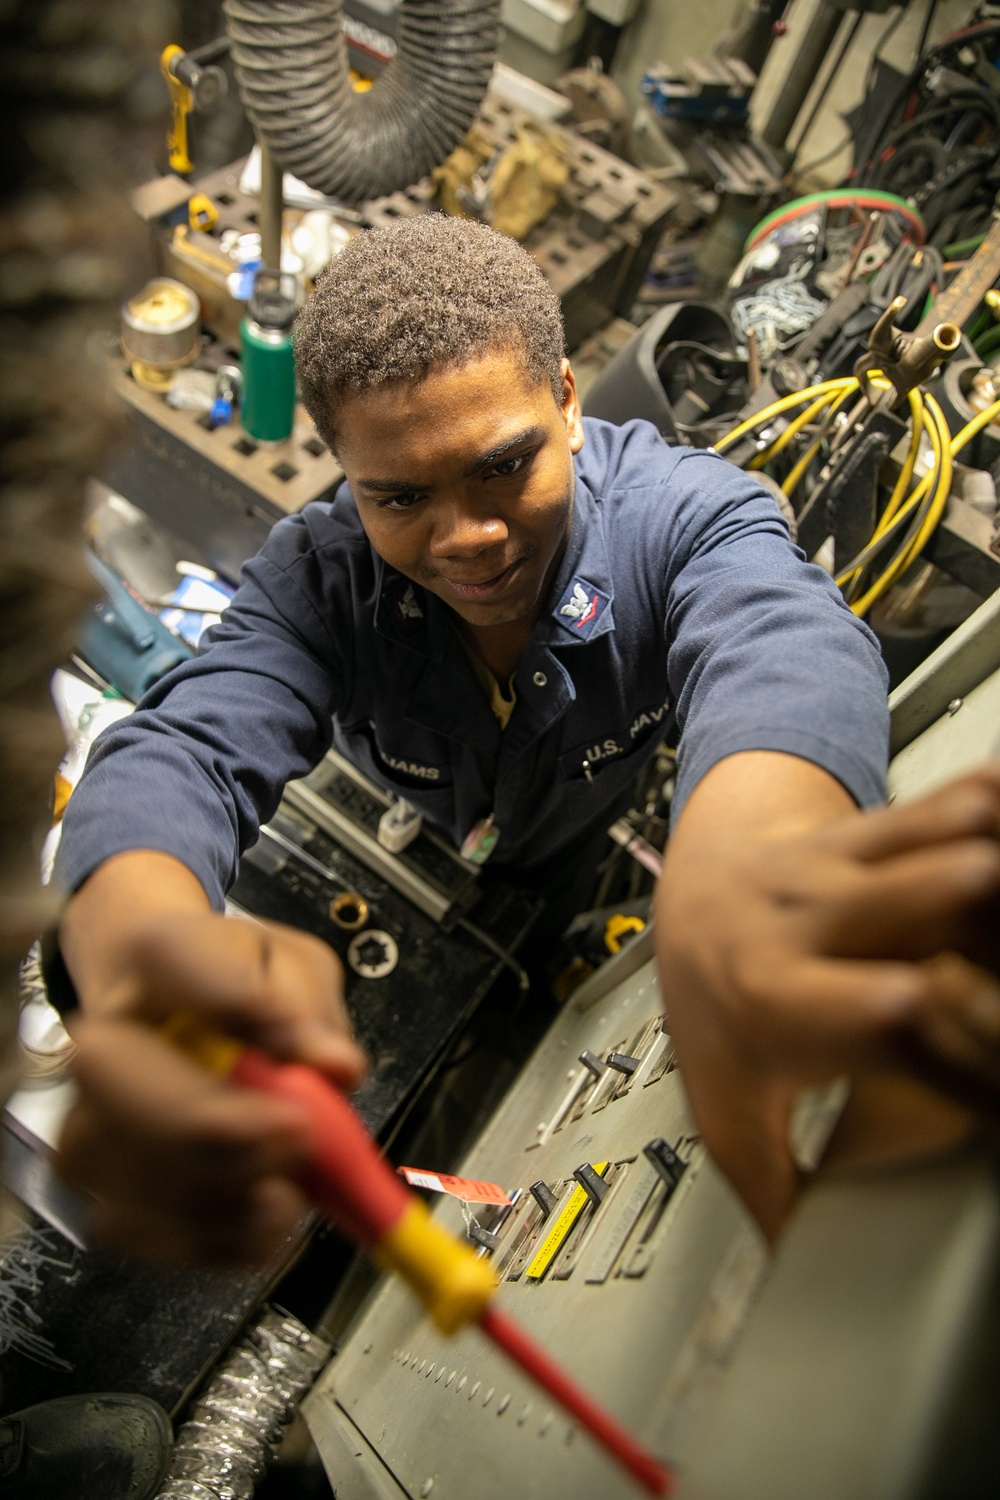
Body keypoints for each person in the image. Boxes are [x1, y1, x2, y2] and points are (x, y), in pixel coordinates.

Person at [53, 215, 1000, 1259]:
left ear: (565, 399)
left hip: (562, 854)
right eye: (400, 496)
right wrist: (142, 954)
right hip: (419, 829)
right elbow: (180, 752)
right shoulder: (317, 581)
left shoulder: (683, 518)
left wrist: (749, 879)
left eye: (504, 466)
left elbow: (788, 652)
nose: (465, 540)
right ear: (344, 471)